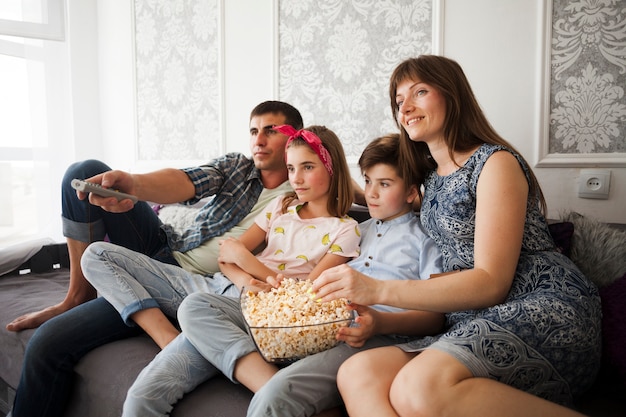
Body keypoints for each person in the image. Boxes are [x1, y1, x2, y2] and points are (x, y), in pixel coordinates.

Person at [311, 55, 602, 417]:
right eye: (399, 100)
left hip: (542, 307)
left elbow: (491, 282)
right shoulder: (429, 178)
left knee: (415, 387)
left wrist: (376, 289)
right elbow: (376, 193)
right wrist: (318, 184)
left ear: (452, 95)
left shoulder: (495, 163)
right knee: (357, 372)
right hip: (469, 319)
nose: (407, 107)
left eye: (420, 92)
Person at [6, 101, 304, 417]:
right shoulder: (239, 168)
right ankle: (78, 294)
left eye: (270, 131)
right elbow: (187, 180)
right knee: (83, 172)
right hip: (161, 246)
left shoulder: (303, 191)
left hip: (194, 285)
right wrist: (135, 187)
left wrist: (360, 190)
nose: (258, 140)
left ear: (296, 137)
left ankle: (162, 328)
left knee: (47, 344)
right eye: (254, 131)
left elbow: (343, 186)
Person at [176, 133, 444, 417]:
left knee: (274, 398)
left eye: (385, 184)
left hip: (371, 334)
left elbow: (436, 317)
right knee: (195, 307)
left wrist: (379, 323)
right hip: (315, 325)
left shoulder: (426, 240)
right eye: (367, 181)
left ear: (412, 192)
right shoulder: (353, 230)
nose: (372, 194)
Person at [118, 124, 362, 416]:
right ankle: (269, 382)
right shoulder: (281, 206)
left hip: (277, 319)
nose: (296, 178)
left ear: (332, 167)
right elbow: (226, 258)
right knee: (140, 399)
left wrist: (248, 262)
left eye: (307, 167)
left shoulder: (346, 230)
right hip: (234, 304)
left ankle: (275, 390)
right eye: (291, 168)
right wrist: (246, 278)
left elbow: (303, 292)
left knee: (194, 306)